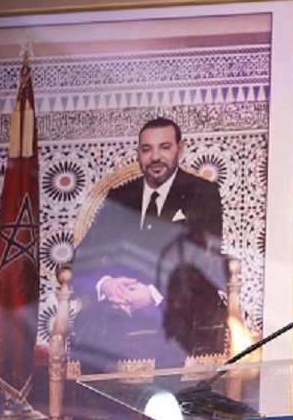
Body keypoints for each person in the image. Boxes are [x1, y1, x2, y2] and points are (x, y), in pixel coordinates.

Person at [70, 117, 227, 374]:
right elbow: (82, 258)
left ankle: (164, 411)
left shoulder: (203, 193)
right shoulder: (120, 196)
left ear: (180, 148)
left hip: (179, 306)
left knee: (173, 329)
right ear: (138, 154)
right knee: (89, 325)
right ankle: (102, 413)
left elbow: (203, 264)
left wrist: (153, 294)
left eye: (164, 147)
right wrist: (107, 285)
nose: (155, 157)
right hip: (118, 310)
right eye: (147, 149)